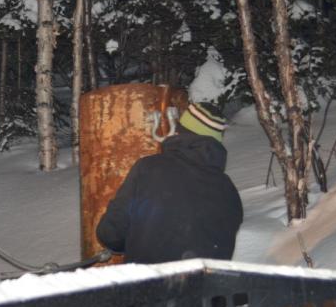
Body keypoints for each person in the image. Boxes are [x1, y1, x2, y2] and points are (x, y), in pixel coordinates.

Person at [95, 101, 243, 264]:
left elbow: (111, 233)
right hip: (208, 287)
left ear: (181, 131)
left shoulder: (149, 168)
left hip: (151, 285)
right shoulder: (229, 191)